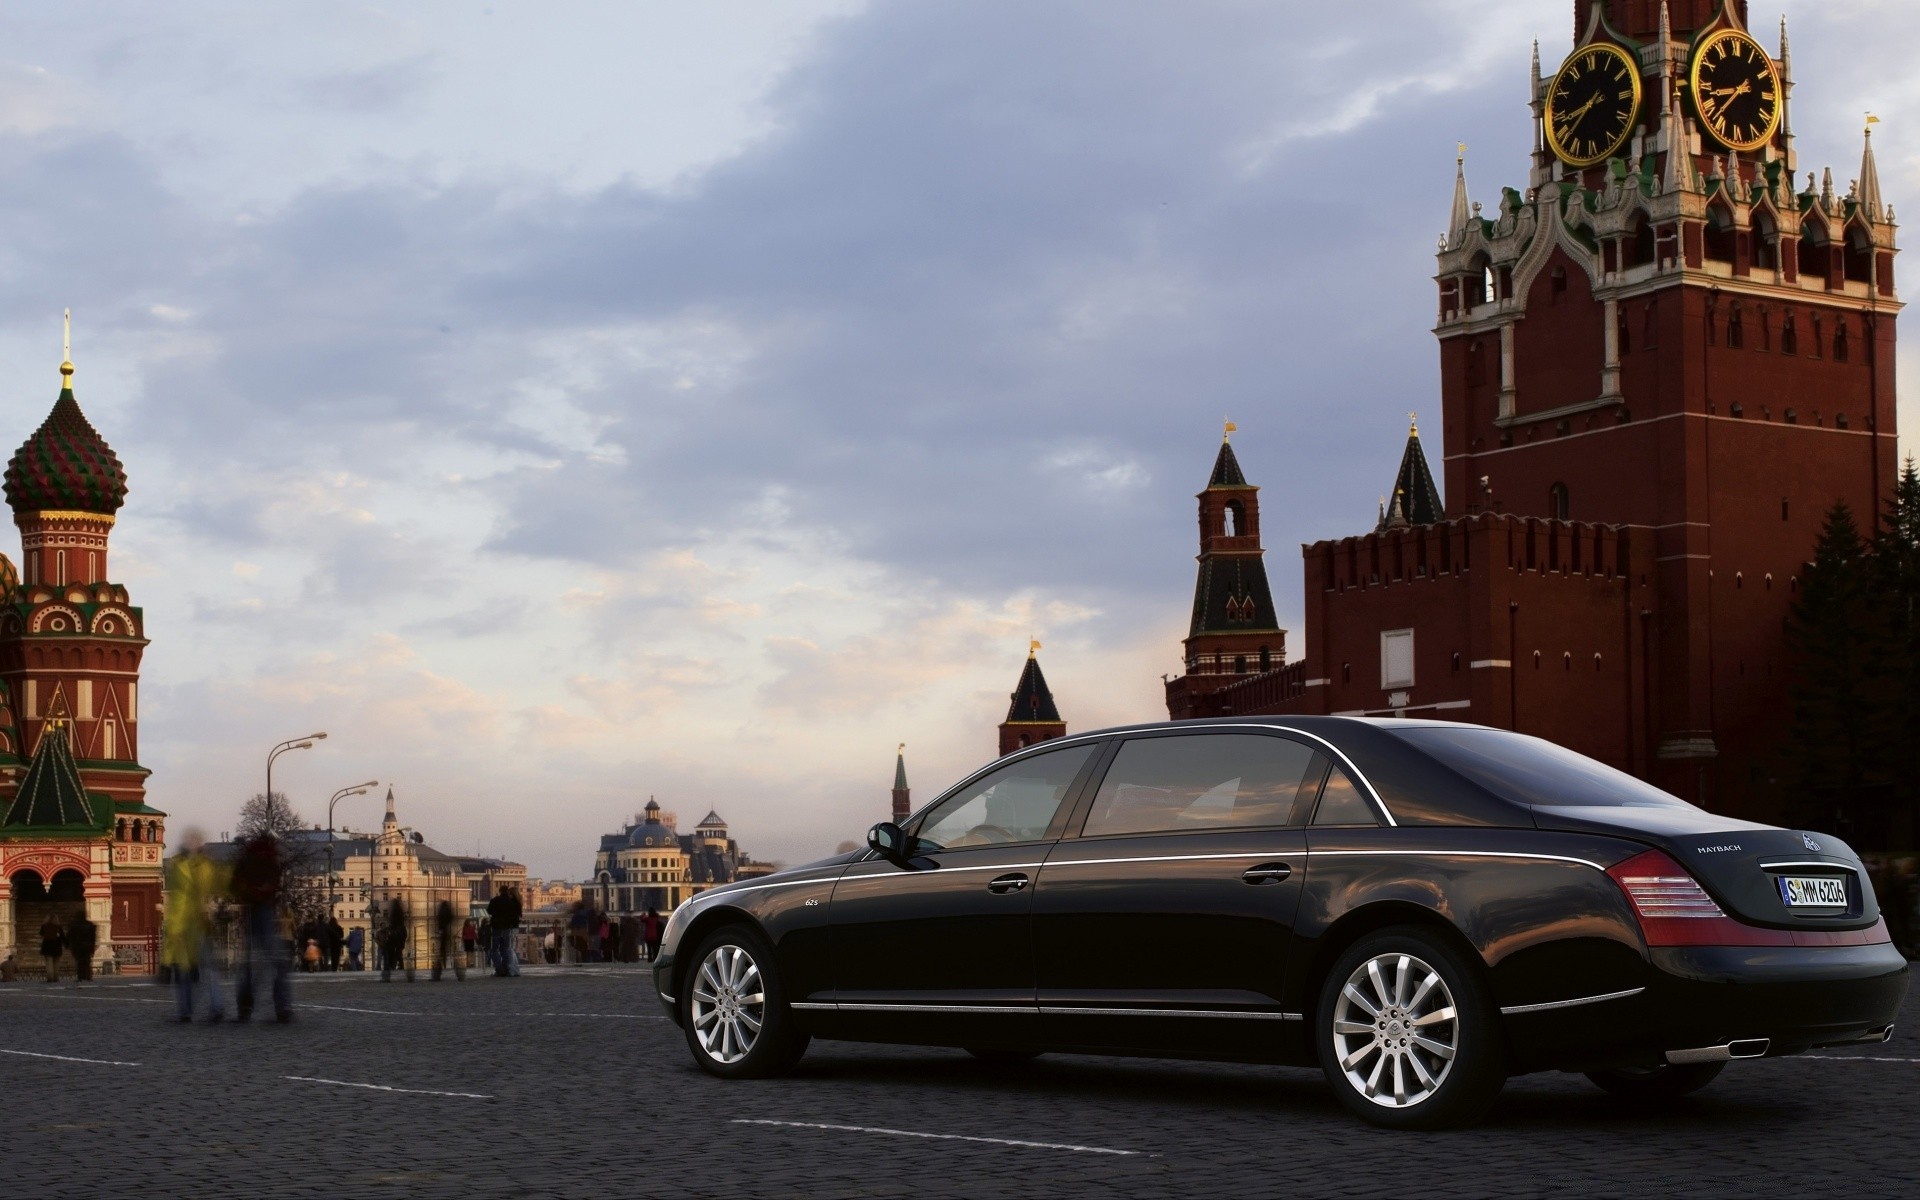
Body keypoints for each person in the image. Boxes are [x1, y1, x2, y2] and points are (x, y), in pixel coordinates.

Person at [162, 829, 230, 1023]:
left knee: (205, 970)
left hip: (197, 927)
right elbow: (177, 903)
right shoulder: (181, 866)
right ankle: (188, 1010)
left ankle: (211, 1007)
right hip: (184, 929)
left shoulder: (203, 866)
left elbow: (219, 885)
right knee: (189, 972)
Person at [230, 832, 293, 1023]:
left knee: (249, 963)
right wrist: (262, 891)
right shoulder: (269, 859)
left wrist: (249, 893)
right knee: (277, 961)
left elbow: (235, 884)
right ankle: (281, 1007)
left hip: (250, 911)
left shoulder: (248, 858)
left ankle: (245, 1006)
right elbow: (273, 883)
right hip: (263, 910)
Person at [486, 885, 520, 977]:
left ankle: (499, 969)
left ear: (500, 891)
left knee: (494, 949)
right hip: (507, 928)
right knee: (505, 949)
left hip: (496, 927)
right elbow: (515, 914)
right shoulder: (511, 902)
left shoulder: (495, 900)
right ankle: (507, 969)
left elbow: (489, 911)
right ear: (507, 892)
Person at [431, 899, 465, 982]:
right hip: (448, 931)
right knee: (449, 951)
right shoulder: (448, 911)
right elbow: (451, 917)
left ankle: (438, 971)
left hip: (443, 932)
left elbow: (439, 920)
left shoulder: (441, 911)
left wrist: (439, 929)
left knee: (441, 951)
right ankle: (454, 969)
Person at [380, 898, 412, 982]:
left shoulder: (394, 913)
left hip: (396, 936)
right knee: (398, 952)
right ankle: (399, 966)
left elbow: (393, 923)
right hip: (400, 936)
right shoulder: (400, 914)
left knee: (393, 952)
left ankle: (392, 967)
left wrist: (391, 930)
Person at [68, 912, 98, 984]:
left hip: (78, 947)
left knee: (79, 962)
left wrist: (71, 946)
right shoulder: (89, 925)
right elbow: (93, 938)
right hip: (87, 946)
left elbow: (71, 936)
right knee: (87, 962)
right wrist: (92, 948)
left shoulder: (74, 925)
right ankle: (88, 976)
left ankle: (80, 977)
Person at [38, 914, 65, 983]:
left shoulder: (44, 926)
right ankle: (56, 978)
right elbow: (62, 936)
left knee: (49, 963)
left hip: (47, 946)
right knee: (56, 963)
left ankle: (50, 978)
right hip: (57, 946)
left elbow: (41, 934)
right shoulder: (59, 927)